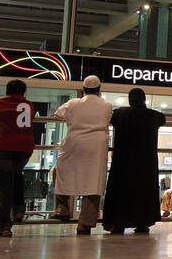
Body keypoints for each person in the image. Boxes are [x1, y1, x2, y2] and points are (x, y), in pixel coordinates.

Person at [52, 75, 113, 235]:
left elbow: (58, 114)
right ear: (99, 90)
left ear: (83, 89)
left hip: (74, 142)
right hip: (96, 145)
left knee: (61, 172)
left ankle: (62, 209)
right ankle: (84, 223)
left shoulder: (73, 103)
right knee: (94, 182)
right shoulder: (106, 105)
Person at [103, 88, 166, 234]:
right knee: (143, 192)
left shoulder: (120, 114)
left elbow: (110, 118)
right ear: (144, 99)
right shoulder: (154, 115)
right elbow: (162, 119)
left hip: (123, 161)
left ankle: (119, 223)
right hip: (146, 162)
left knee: (121, 191)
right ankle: (143, 223)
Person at [0, 79, 36, 237]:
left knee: (5, 186)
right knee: (16, 174)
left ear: (7, 91)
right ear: (23, 92)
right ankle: (19, 209)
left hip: (5, 147)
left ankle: (5, 225)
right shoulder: (29, 105)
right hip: (25, 149)